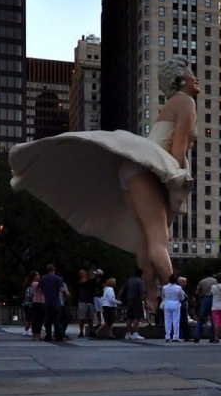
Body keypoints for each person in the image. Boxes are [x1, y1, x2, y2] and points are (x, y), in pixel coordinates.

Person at [10, 56, 197, 282]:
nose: (195, 78)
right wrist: (176, 184)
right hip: (148, 168)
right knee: (158, 239)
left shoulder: (171, 104)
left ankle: (152, 301)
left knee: (145, 241)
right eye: (190, 72)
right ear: (179, 79)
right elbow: (178, 148)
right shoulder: (185, 102)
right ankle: (175, 296)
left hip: (130, 171)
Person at [39, 264, 69, 342]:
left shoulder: (43, 278)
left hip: (47, 302)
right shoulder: (58, 278)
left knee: (48, 320)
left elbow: (40, 290)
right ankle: (58, 336)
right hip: (56, 302)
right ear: (54, 270)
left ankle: (48, 336)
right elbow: (61, 289)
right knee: (57, 320)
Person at [160, 274, 186, 341]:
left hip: (167, 303)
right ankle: (176, 336)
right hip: (176, 304)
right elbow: (181, 297)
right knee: (176, 321)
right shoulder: (178, 288)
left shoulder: (165, 287)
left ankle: (167, 336)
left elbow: (162, 296)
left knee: (167, 320)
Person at [122, 269, 146, 341]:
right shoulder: (140, 282)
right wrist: (145, 301)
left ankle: (128, 334)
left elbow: (123, 289)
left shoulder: (129, 280)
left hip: (129, 300)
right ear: (141, 274)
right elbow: (142, 293)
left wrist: (119, 297)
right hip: (137, 300)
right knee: (137, 317)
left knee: (129, 318)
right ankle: (135, 333)